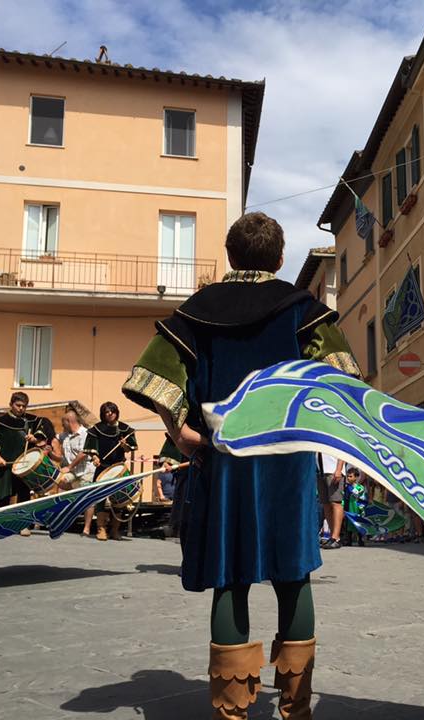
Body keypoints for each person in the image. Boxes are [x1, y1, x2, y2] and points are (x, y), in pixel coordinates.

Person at [121, 211, 360, 719]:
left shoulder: (196, 310)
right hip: (286, 461)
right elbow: (342, 375)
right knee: (293, 575)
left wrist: (179, 432)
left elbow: (150, 377)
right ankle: (295, 710)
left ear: (231, 255)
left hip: (224, 464)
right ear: (278, 258)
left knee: (230, 577)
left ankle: (232, 713)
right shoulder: (301, 309)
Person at [0, 392, 47, 535]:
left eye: (24, 406)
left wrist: (34, 438)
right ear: (11, 404)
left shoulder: (31, 421)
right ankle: (3, 523)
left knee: (24, 494)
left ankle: (22, 525)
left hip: (24, 464)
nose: (21, 408)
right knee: (5, 494)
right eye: (18, 405)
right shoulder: (0, 421)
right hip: (6, 463)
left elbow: (42, 435)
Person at [84, 401, 138, 542]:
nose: (110, 414)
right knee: (100, 498)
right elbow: (91, 449)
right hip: (102, 467)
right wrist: (94, 457)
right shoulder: (96, 429)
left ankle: (115, 530)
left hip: (119, 468)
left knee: (119, 498)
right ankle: (101, 529)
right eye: (107, 412)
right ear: (103, 414)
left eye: (112, 411)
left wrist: (125, 445)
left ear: (116, 412)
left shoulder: (125, 429)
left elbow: (129, 449)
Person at [52, 408, 95, 536]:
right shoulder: (65, 435)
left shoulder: (85, 433)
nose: (61, 425)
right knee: (59, 481)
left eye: (63, 422)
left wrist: (69, 467)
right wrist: (51, 449)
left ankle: (86, 528)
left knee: (88, 498)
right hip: (73, 471)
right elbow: (54, 438)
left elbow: (83, 453)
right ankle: (63, 515)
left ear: (69, 421)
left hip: (85, 470)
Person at [318, 453, 345, 549]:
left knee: (335, 502)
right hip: (320, 470)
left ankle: (336, 537)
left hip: (332, 470)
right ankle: (332, 536)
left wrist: (339, 469)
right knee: (326, 504)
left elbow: (342, 450)